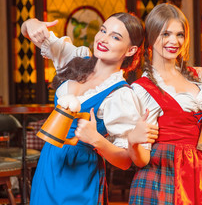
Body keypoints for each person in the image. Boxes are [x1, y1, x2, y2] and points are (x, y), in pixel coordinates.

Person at [21, 13, 158, 205]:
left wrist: (96, 139)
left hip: (79, 175)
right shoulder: (76, 57)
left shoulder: (119, 94)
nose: (103, 39)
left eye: (115, 37)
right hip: (48, 164)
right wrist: (32, 23)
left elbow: (126, 160)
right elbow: (29, 31)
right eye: (103, 30)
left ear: (130, 50)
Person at [129, 3, 202, 204]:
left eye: (179, 34)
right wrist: (132, 141)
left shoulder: (198, 75)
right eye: (166, 34)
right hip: (161, 179)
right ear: (151, 36)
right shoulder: (142, 89)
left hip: (200, 172)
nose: (174, 41)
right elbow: (141, 159)